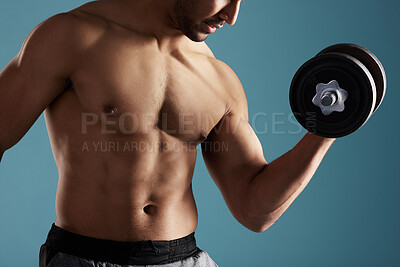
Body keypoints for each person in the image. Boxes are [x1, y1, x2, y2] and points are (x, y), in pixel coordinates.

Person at [0, 0, 335, 266]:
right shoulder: (71, 37)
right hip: (85, 258)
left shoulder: (219, 78)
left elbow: (253, 209)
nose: (232, 15)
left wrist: (327, 130)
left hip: (184, 259)